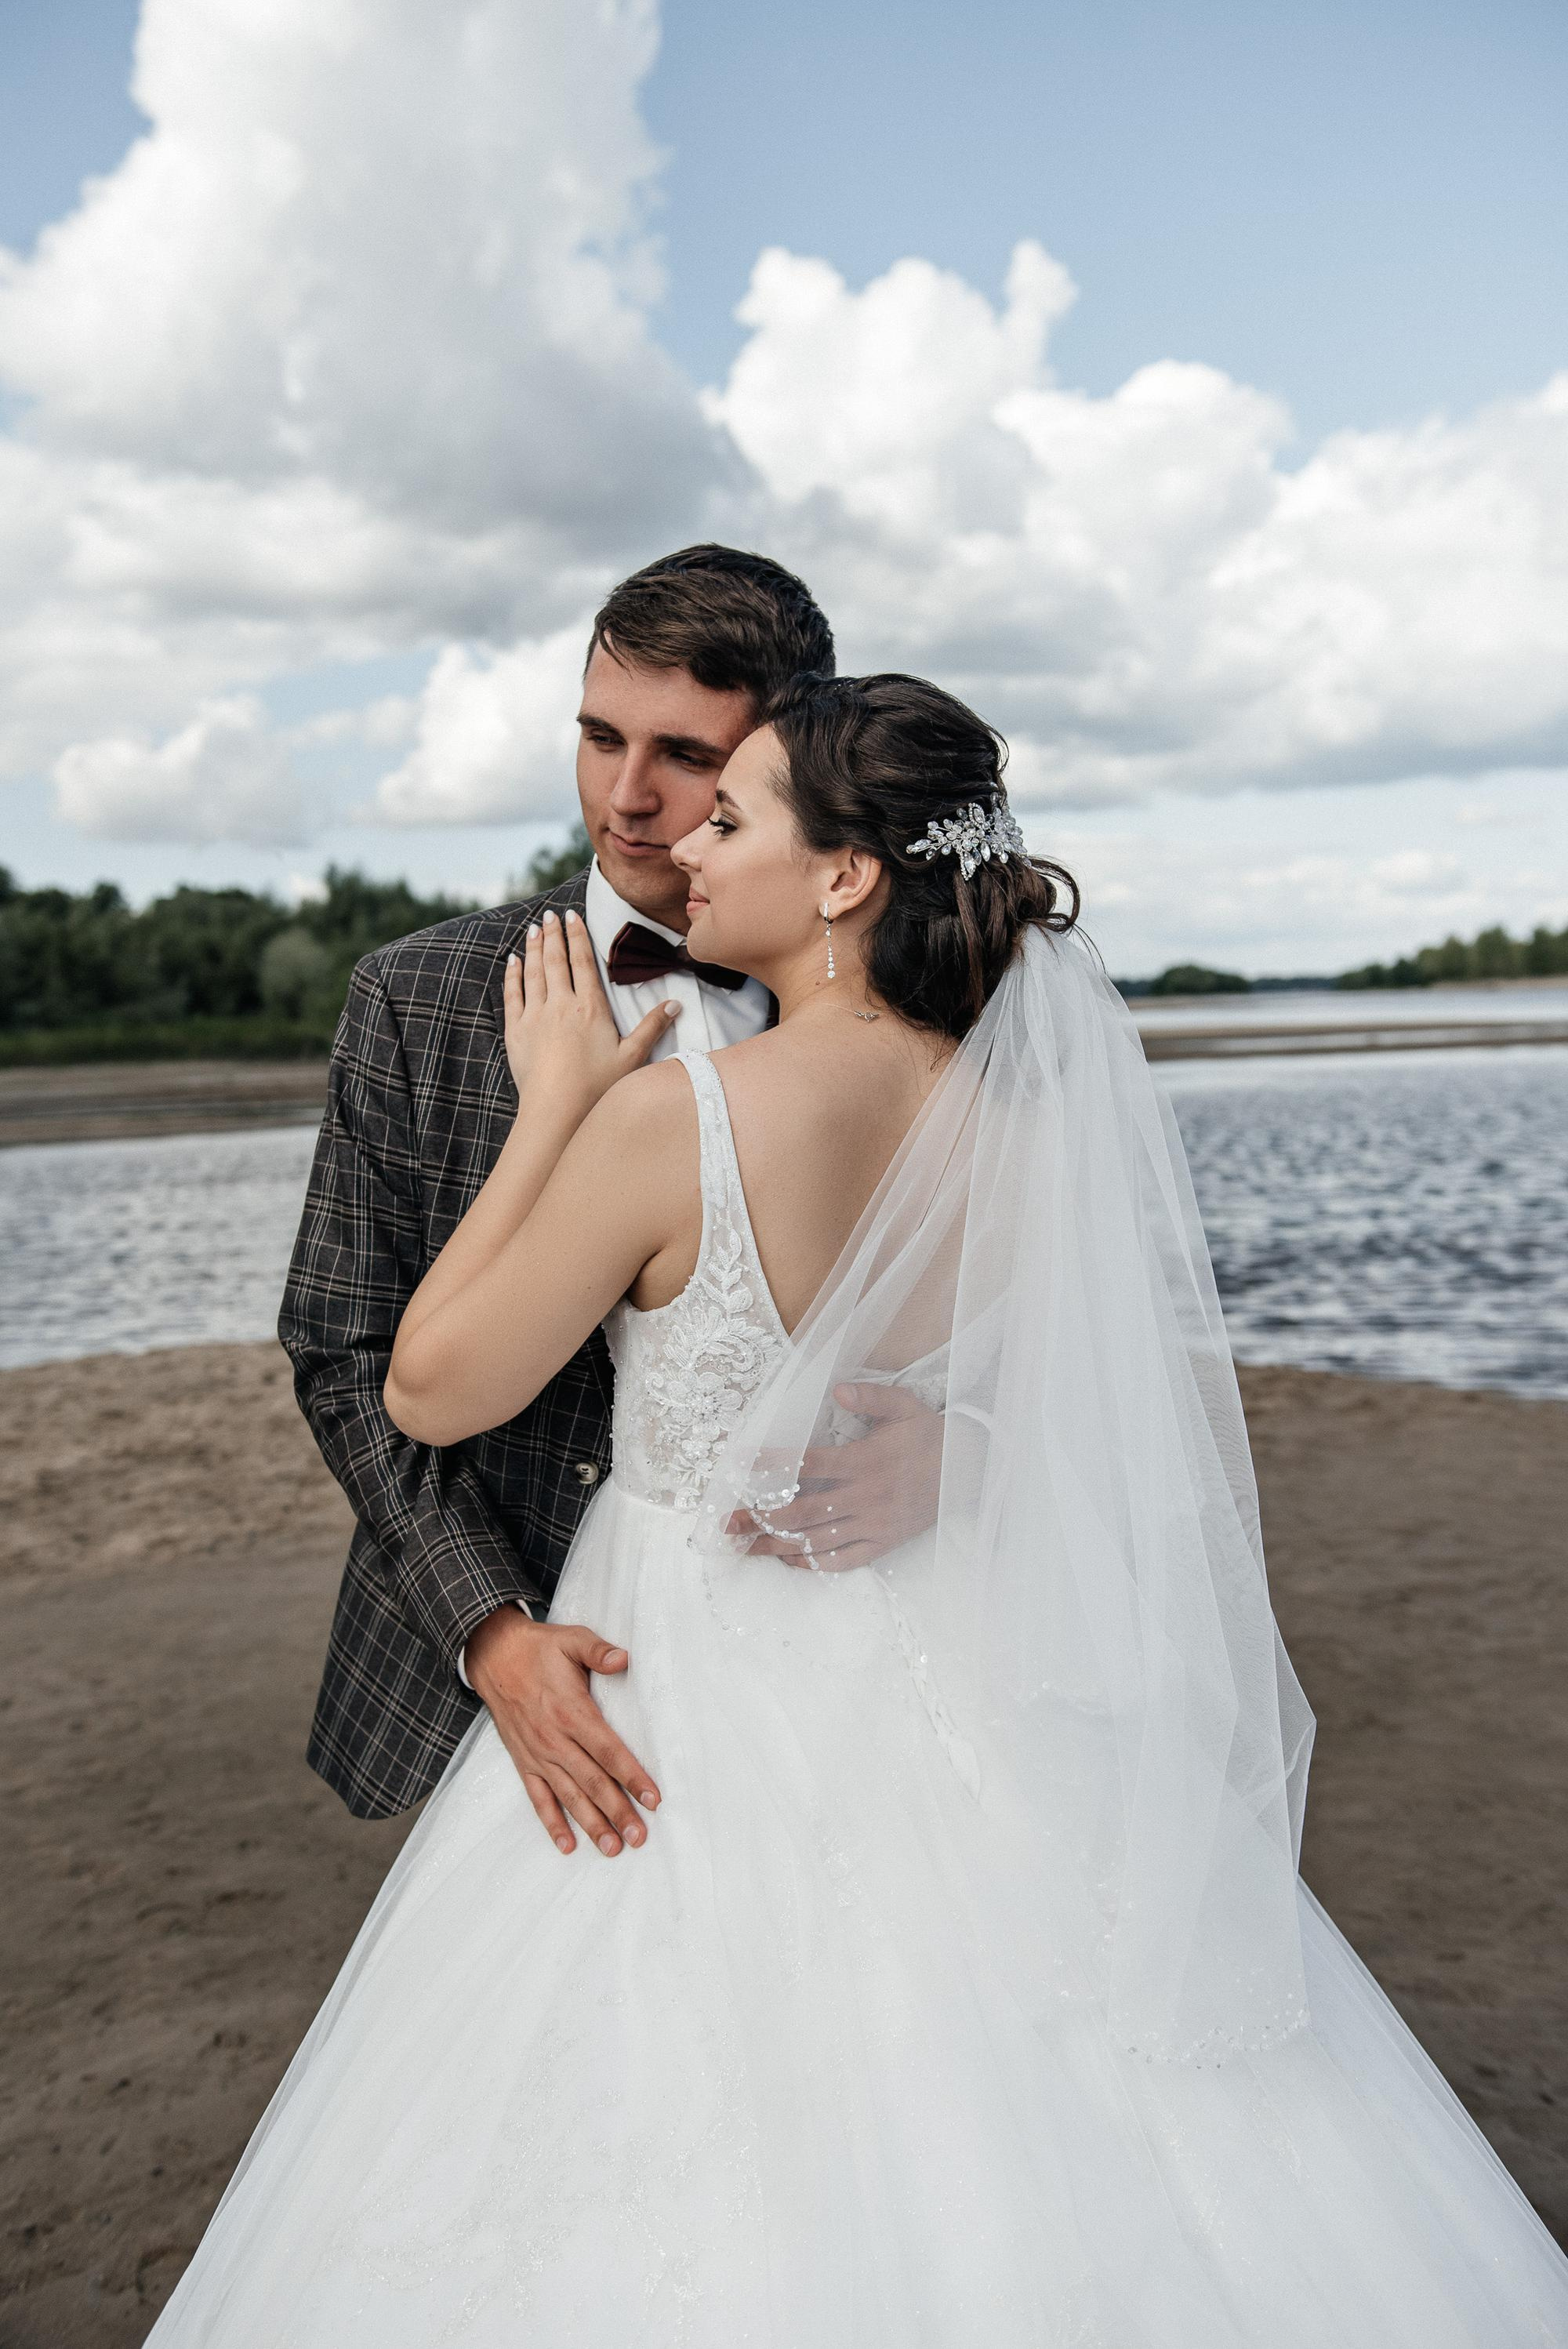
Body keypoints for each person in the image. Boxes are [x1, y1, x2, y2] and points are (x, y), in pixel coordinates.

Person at [153, 673, 1568, 2343]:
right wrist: (954, 1445)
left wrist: (556, 1113)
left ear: (843, 876)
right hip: (968, 1682)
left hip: (683, 1691)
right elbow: (1086, 1407)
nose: (685, 845)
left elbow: (429, 1387)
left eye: (733, 814)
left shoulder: (672, 1118)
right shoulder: (1014, 1108)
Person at [279, 545, 939, 1853]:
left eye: (689, 759)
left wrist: (958, 1451)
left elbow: (1041, 1312)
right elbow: (345, 1353)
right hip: (517, 1661)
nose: (627, 798)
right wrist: (491, 1629)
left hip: (846, 1654)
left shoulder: (921, 1018)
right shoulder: (418, 1000)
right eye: (597, 737)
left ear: (789, 757)